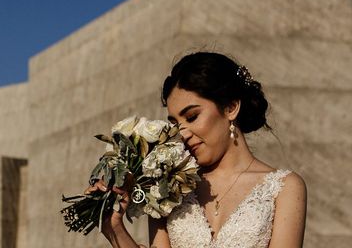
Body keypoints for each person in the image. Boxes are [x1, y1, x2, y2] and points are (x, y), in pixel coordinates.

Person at [86, 51, 307, 248]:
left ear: (231, 107)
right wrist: (114, 228)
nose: (182, 132)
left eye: (192, 117)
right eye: (175, 123)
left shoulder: (284, 188)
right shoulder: (166, 188)